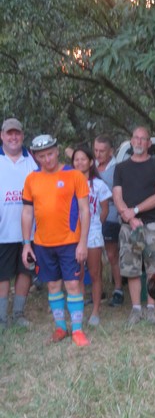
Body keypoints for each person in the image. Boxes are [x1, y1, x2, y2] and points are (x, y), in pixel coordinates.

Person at [21, 134, 90, 346]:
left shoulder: (74, 175)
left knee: (73, 284)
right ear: (35, 157)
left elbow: (85, 210)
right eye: (42, 156)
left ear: (57, 151)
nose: (47, 159)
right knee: (52, 285)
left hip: (70, 242)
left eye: (50, 154)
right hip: (42, 244)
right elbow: (27, 213)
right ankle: (60, 327)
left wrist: (83, 243)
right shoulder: (31, 179)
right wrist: (26, 244)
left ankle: (77, 330)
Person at [113, 126, 155, 326]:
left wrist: (135, 211)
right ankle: (136, 309)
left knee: (154, 268)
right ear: (131, 141)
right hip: (129, 227)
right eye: (135, 138)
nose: (138, 141)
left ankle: (151, 309)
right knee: (132, 268)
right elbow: (117, 197)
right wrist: (129, 219)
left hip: (153, 225)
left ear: (149, 143)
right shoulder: (121, 168)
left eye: (143, 139)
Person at [0, 117, 38, 329]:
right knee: (2, 275)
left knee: (26, 271)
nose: (13, 137)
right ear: (2, 136)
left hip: (29, 233)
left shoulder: (31, 161)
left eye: (17, 133)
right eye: (9, 133)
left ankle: (18, 313)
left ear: (22, 136)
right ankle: (2, 317)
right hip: (3, 231)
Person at [72, 145, 112, 327]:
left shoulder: (98, 184)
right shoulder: (68, 182)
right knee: (77, 273)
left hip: (93, 232)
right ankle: (78, 309)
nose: (79, 162)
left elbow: (105, 209)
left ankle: (96, 310)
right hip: (73, 232)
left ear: (90, 162)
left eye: (83, 159)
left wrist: (96, 224)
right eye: (76, 159)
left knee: (95, 273)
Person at [94, 134, 124, 306]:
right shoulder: (91, 167)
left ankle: (118, 289)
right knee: (95, 256)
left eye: (102, 151)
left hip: (111, 216)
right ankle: (99, 290)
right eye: (96, 150)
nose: (98, 154)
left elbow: (119, 194)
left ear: (111, 151)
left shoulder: (117, 169)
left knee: (112, 254)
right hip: (93, 217)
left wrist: (105, 194)